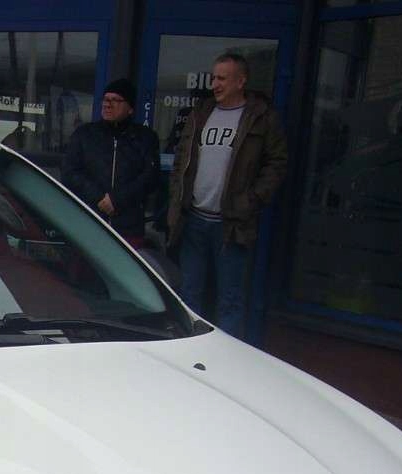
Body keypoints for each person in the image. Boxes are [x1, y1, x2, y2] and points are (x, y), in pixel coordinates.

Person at [166, 53, 288, 341]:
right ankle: (190, 351)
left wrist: (250, 201)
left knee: (230, 299)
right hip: (194, 219)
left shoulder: (261, 117)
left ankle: (227, 357)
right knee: (189, 294)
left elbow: (277, 164)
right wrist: (177, 197)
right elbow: (181, 158)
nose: (215, 84)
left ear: (240, 81)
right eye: (213, 78)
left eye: (222, 78)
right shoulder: (201, 113)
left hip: (231, 225)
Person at [63, 78, 160, 246]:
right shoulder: (85, 135)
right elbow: (70, 172)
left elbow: (150, 178)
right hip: (89, 222)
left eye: (116, 100)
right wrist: (99, 197)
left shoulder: (145, 138)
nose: (108, 105)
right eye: (106, 99)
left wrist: (116, 200)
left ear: (130, 108)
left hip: (128, 229)